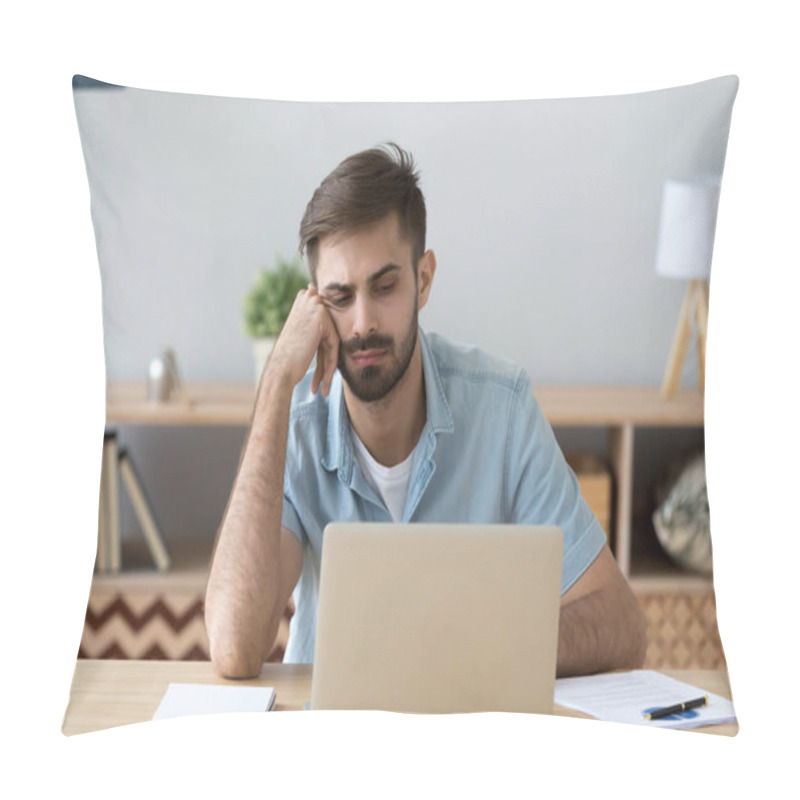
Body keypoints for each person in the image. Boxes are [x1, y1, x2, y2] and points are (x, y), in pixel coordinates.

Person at [204, 143, 647, 680]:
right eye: (340, 297)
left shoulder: (501, 411)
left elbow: (622, 626)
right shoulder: (297, 427)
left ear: (425, 279)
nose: (363, 322)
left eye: (385, 286)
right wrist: (276, 381)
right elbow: (232, 647)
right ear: (314, 305)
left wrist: (472, 647)